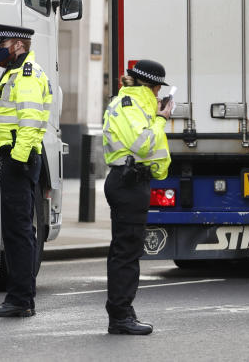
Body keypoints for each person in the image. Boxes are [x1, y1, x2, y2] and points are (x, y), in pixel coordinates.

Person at [0, 24, 52, 318]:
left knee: (18, 232)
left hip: (18, 160)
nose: (0, 48)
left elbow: (30, 121)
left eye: (5, 43)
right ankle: (21, 297)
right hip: (16, 159)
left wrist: (18, 160)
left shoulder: (26, 75)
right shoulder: (16, 72)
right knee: (17, 231)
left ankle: (21, 299)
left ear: (19, 46)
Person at [102, 59, 173, 336]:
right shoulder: (131, 105)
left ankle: (121, 313)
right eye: (157, 90)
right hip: (128, 182)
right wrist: (161, 119)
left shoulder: (133, 103)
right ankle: (120, 316)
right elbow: (142, 144)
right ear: (151, 86)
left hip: (129, 181)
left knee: (125, 251)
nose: (158, 95)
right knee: (127, 253)